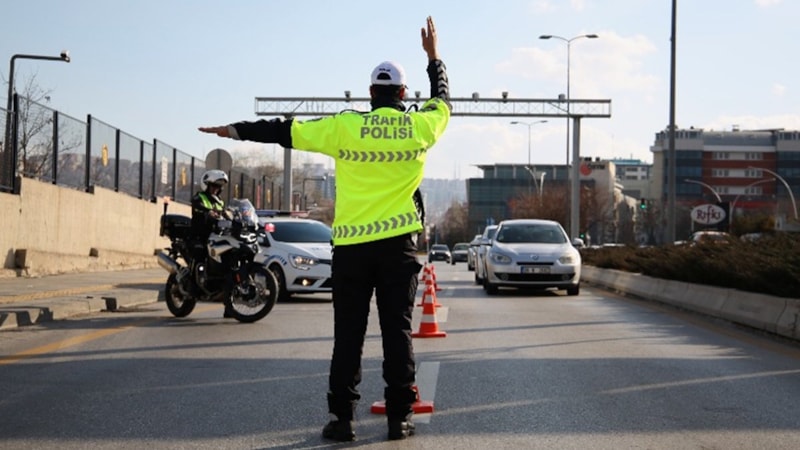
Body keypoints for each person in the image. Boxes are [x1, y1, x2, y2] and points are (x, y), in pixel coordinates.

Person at [199, 16, 450, 441]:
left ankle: (342, 420)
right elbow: (444, 100)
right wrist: (434, 57)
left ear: (371, 94)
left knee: (348, 336)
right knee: (398, 332)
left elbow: (284, 131)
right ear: (404, 95)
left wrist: (234, 130)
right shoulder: (420, 125)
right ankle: (399, 418)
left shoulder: (344, 125)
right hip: (398, 249)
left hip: (352, 249)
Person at [190, 169, 232, 317]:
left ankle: (229, 307)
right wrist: (208, 212)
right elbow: (197, 206)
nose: (216, 189)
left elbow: (226, 214)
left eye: (218, 187)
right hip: (200, 236)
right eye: (214, 186)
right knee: (200, 255)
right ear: (206, 185)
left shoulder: (220, 202)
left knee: (228, 267)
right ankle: (193, 285)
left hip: (216, 237)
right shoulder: (199, 197)